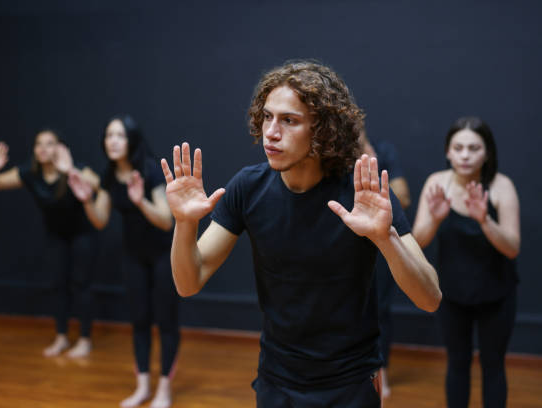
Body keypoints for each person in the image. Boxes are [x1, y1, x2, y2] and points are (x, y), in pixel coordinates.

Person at [160, 60, 442, 408]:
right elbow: (189, 282)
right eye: (267, 117)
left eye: (288, 120)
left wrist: (386, 238)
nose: (271, 132)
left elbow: (430, 298)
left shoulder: (363, 193)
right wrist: (185, 223)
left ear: (322, 130)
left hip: (350, 381)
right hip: (277, 381)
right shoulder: (248, 188)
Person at [67, 115, 177, 408]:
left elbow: (166, 222)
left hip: (164, 255)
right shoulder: (109, 174)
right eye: (108, 135)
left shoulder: (150, 170)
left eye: (119, 135)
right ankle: (142, 387)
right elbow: (100, 221)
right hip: (133, 256)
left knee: (166, 322)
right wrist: (86, 201)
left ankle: (164, 389)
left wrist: (140, 201)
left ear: (132, 140)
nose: (112, 141)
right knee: (139, 321)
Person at [412, 117, 520, 408]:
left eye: (474, 148)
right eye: (458, 147)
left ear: (487, 153)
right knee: (457, 363)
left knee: (493, 364)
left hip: (497, 294)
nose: (465, 155)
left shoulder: (501, 186)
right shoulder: (437, 183)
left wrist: (484, 220)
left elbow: (512, 248)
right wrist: (434, 218)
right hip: (452, 295)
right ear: (448, 151)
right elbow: (417, 242)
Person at [0, 129, 99, 358]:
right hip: (55, 236)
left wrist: (71, 170)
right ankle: (61, 337)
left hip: (82, 234)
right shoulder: (30, 172)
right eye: (39, 144)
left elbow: (98, 186)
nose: (43, 148)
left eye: (49, 143)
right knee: (58, 286)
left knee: (81, 286)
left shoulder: (75, 167)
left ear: (60, 148)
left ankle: (85, 340)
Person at [359, 126, 411, 397]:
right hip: (345, 242)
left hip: (378, 244)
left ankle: (382, 371)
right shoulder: (332, 154)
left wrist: (370, 168)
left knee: (380, 309)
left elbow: (402, 197)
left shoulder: (383, 151)